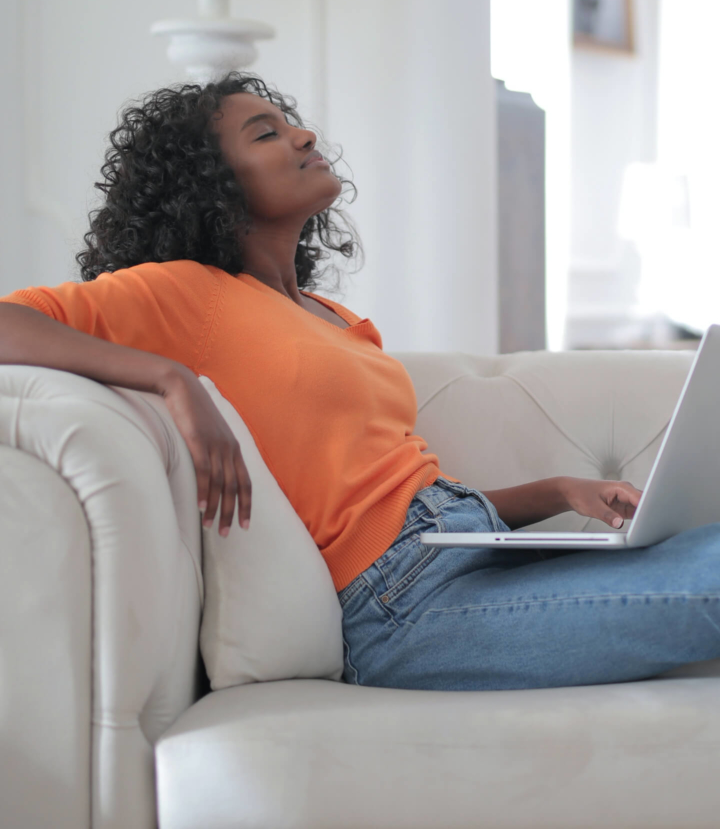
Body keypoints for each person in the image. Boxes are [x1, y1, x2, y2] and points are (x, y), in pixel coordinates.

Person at [1, 72, 719, 692]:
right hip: (401, 617)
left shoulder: (333, 318)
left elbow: (392, 500)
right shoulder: (189, 294)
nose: (305, 136)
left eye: (291, 124)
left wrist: (561, 493)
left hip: (456, 554)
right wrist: (169, 377)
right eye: (266, 135)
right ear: (212, 185)